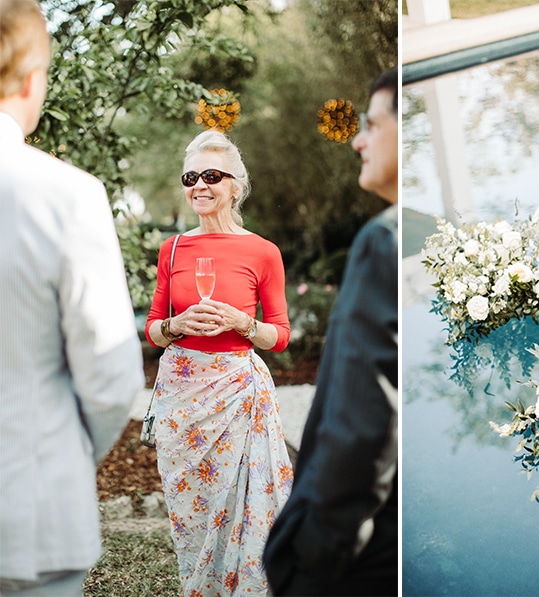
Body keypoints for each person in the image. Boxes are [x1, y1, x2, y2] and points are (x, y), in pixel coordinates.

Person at [0, 0, 145, 594]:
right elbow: (111, 380)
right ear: (33, 81)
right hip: (30, 519)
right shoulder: (67, 197)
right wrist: (57, 451)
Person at [263, 66, 399, 596]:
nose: (359, 139)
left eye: (373, 123)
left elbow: (364, 423)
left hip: (362, 552)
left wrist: (315, 552)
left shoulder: (382, 242)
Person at [144, 129, 294, 595]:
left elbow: (281, 335)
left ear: (235, 184)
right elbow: (152, 328)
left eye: (211, 175)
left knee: (249, 511)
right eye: (191, 177)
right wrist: (178, 324)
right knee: (194, 513)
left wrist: (242, 324)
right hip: (183, 398)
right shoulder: (172, 250)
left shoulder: (262, 251)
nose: (199, 186)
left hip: (239, 394)